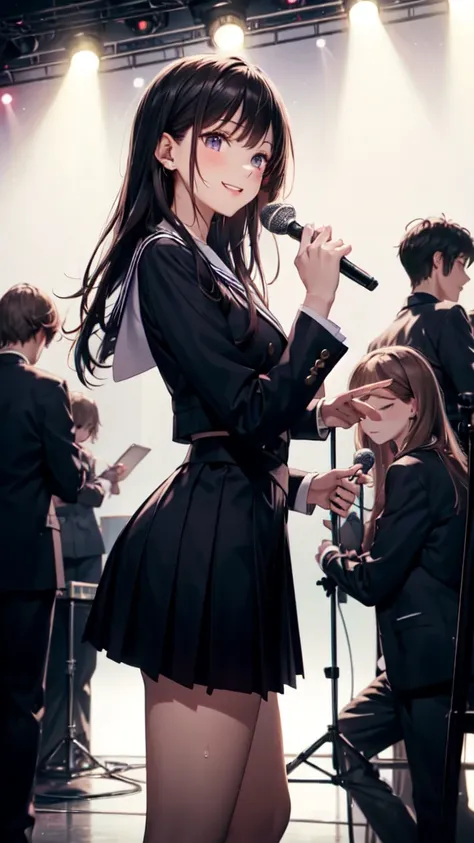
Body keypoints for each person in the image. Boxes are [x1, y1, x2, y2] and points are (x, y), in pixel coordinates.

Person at [72, 55, 388, 843]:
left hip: (236, 527)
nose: (247, 169)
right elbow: (243, 415)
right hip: (203, 547)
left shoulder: (213, 258)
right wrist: (315, 310)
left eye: (259, 154)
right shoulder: (163, 256)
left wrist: (319, 416)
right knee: (193, 827)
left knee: (261, 815)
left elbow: (252, 415)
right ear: (169, 149)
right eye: (224, 142)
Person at [316, 346, 472, 843]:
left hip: (428, 664)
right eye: (363, 406)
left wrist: (328, 556)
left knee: (437, 806)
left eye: (383, 404)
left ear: (415, 404)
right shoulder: (448, 466)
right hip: (428, 663)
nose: (369, 418)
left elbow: (375, 582)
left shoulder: (410, 471)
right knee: (350, 746)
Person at [0, 284, 84, 843]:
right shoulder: (46, 389)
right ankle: (10, 825)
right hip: (24, 565)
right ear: (41, 332)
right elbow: (70, 482)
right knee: (17, 702)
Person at [38, 393, 123, 773]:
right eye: (73, 425)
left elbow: (83, 497)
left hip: (88, 557)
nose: (77, 433)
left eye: (83, 428)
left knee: (83, 659)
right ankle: (50, 749)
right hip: (54, 556)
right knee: (56, 660)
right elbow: (82, 494)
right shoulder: (54, 457)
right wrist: (103, 484)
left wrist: (108, 481)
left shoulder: (90, 461)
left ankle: (78, 746)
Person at [369, 217, 474, 435]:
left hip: (402, 461)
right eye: (461, 264)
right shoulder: (448, 316)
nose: (466, 279)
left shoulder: (378, 343)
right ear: (438, 260)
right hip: (451, 457)